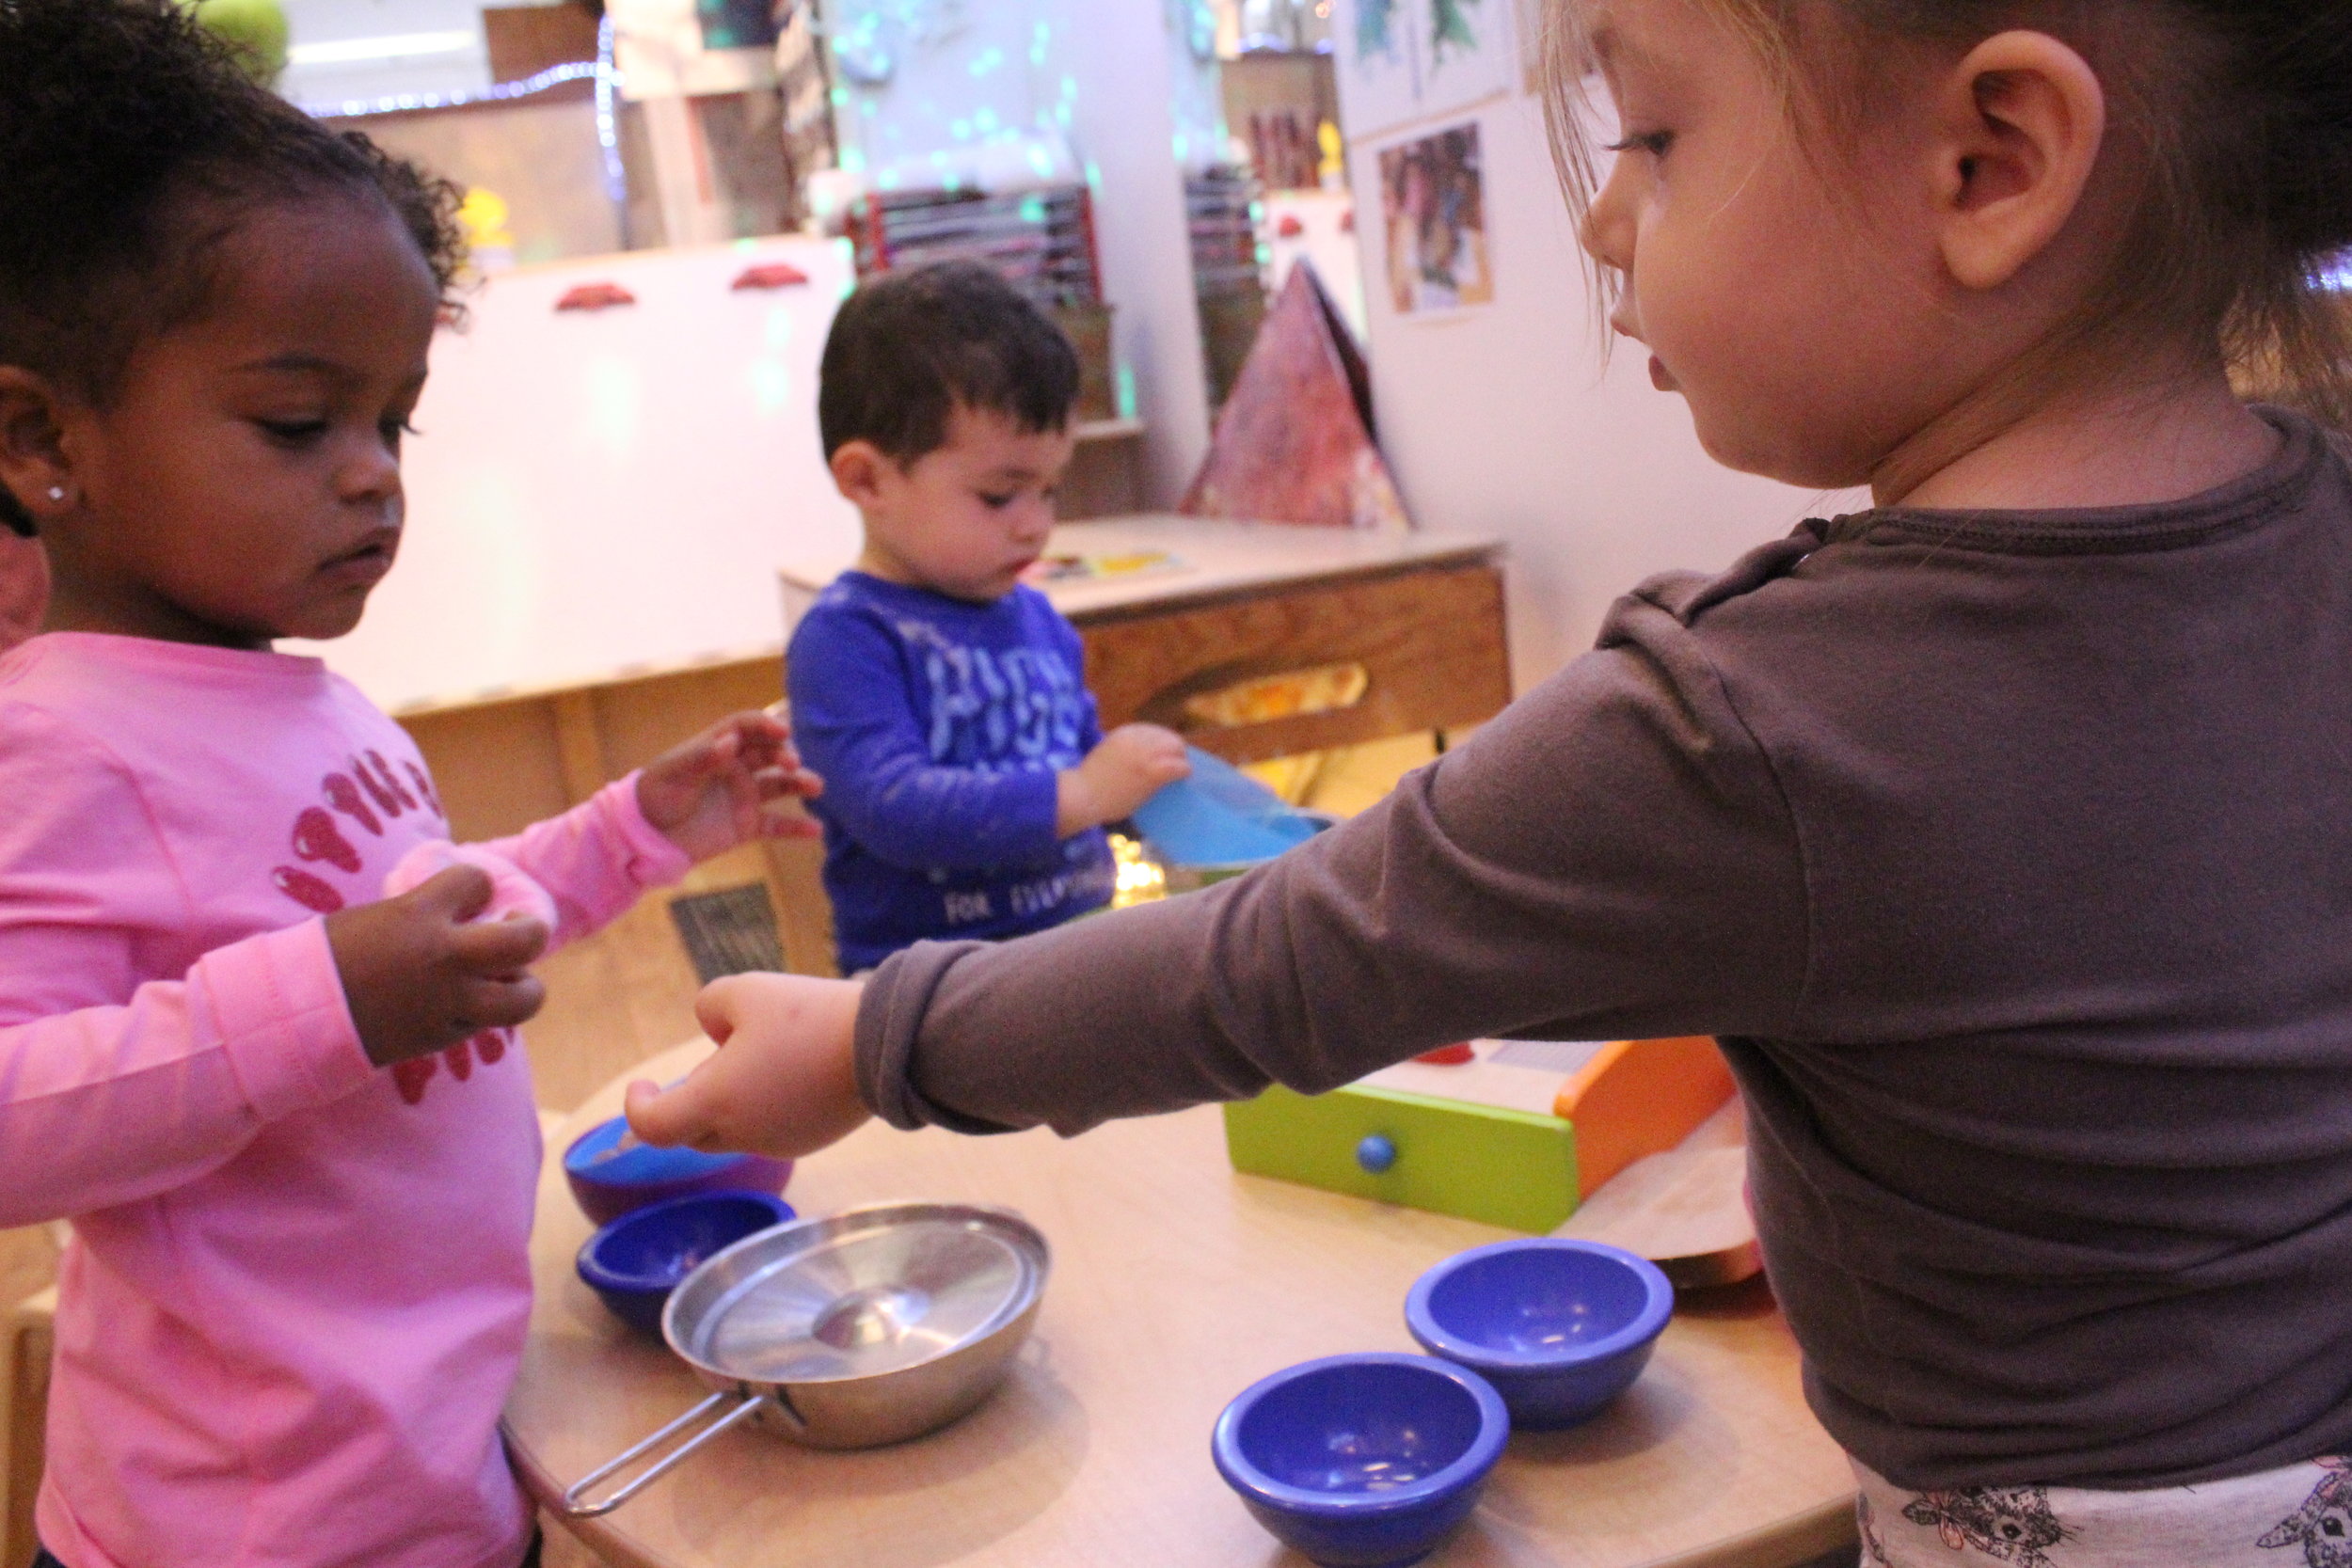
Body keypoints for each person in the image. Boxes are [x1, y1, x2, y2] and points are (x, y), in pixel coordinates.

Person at [632, 0, 2352, 1560]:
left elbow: (1272, 963)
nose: (1606, 221)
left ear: (1993, 163)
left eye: (1653, 138)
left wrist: (876, 1041)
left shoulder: (1752, 722)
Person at [0, 5, 820, 1566]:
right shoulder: (57, 742)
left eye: (391, 419)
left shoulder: (289, 691)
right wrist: (326, 1003)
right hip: (247, 1528)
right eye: (301, 422)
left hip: (423, 1456)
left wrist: (636, 828)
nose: (376, 471)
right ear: (44, 436)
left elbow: (417, 924)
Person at [786, 261, 1189, 973]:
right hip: (925, 989)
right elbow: (898, 808)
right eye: (1001, 496)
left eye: (1051, 490)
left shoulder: (1037, 621)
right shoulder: (846, 638)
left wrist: (1147, 787)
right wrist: (1086, 791)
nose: (1036, 526)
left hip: (1076, 952)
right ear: (867, 479)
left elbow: (1084, 761)